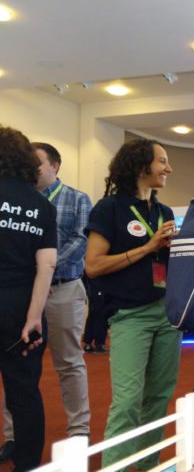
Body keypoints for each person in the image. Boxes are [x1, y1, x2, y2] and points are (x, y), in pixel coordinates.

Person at [85, 138, 181, 469]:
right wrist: (148, 246)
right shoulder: (109, 209)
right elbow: (93, 266)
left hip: (167, 315)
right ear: (141, 166)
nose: (168, 168)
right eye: (162, 161)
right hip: (130, 317)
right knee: (127, 402)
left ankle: (146, 466)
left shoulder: (164, 212)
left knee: (157, 401)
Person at [2, 142, 92, 442]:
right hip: (25, 294)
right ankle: (12, 436)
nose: (32, 168)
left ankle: (79, 431)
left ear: (55, 165)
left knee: (69, 362)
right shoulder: (17, 199)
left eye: (37, 162)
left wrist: (44, 267)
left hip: (64, 288)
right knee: (15, 365)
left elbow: (81, 241)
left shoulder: (78, 199)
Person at [0, 125, 54, 471]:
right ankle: (28, 465)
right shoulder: (41, 205)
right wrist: (34, 317)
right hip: (21, 307)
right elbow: (46, 264)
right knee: (24, 395)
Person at [82, 275, 109, 354]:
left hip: (95, 286)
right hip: (96, 287)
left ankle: (88, 344)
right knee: (100, 314)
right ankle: (99, 344)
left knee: (94, 314)